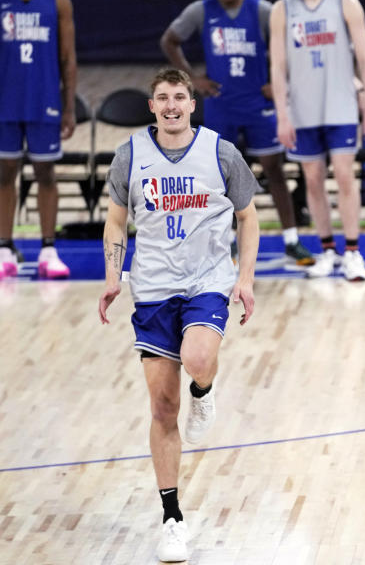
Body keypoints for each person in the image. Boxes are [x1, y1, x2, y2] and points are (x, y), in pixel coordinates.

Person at [98, 68, 260, 562]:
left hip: (207, 280)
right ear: (152, 106)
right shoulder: (130, 155)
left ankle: (205, 390)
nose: (171, 105)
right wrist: (112, 276)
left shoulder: (220, 152)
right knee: (163, 409)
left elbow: (248, 216)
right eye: (163, 98)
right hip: (151, 288)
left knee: (198, 357)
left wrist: (245, 279)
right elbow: (115, 218)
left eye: (180, 97)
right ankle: (172, 518)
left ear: (192, 104)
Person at [160, 0, 315, 266]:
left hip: (258, 104)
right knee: (220, 176)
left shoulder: (260, 10)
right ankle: (226, 242)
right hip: (222, 104)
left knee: (274, 169)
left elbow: (294, 44)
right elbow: (170, 40)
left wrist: (278, 81)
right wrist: (192, 79)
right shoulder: (201, 11)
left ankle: (291, 239)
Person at [270, 0, 365, 281]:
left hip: (341, 106)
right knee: (313, 182)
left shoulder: (347, 3)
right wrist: (282, 114)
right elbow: (277, 67)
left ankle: (353, 252)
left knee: (346, 178)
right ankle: (327, 250)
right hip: (302, 110)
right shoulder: (282, 9)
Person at [0, 0, 76, 279]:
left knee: (46, 173)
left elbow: (68, 57)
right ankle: (5, 248)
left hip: (44, 98)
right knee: (5, 174)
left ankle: (48, 248)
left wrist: (69, 106)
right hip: (6, 100)